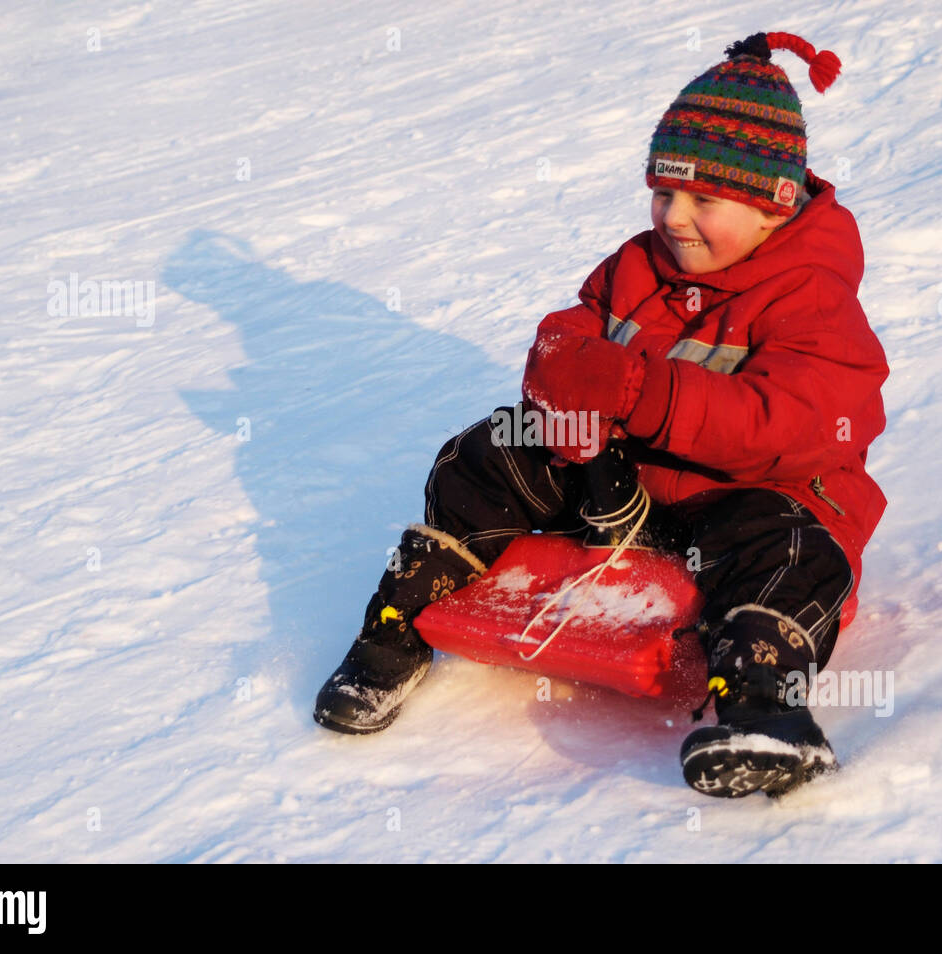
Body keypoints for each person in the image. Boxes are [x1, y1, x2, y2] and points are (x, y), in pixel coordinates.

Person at [314, 30, 890, 799]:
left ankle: (762, 707)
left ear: (773, 207)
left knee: (789, 551)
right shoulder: (638, 265)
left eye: (704, 200)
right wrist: (566, 379)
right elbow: (571, 335)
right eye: (663, 192)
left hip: (747, 497)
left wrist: (638, 393)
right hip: (619, 489)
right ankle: (395, 624)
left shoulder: (810, 296)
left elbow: (784, 426)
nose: (674, 217)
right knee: (489, 451)